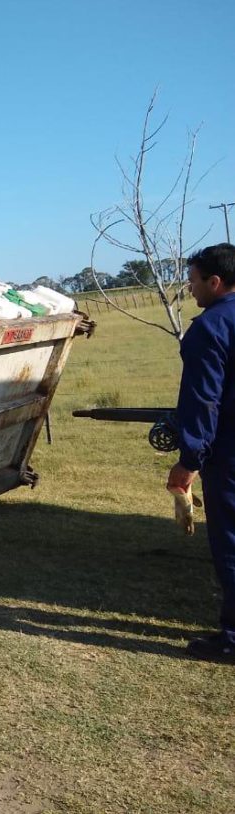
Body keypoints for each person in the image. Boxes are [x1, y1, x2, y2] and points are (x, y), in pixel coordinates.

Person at [168, 243, 235, 662]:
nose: (189, 289)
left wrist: (190, 460)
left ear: (215, 282)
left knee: (231, 544)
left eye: (193, 282)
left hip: (229, 456)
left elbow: (203, 401)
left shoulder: (210, 328)